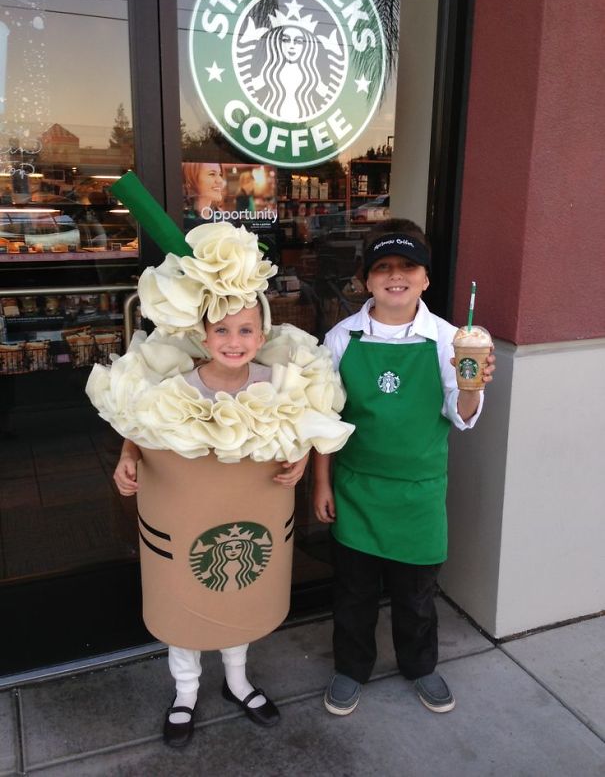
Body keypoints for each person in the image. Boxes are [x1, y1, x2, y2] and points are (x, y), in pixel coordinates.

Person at [313, 219, 495, 717]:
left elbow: (462, 417)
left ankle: (421, 666)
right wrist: (322, 482)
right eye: (383, 268)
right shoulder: (341, 337)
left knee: (417, 596)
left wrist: (474, 383)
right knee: (353, 594)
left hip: (418, 493)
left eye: (408, 266)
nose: (397, 276)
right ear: (366, 280)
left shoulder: (449, 339)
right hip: (355, 489)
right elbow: (324, 417)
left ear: (426, 278)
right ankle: (351, 668)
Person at [114, 302, 308, 747]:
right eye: (221, 330)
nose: (234, 341)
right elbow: (138, 427)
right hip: (189, 518)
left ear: (262, 338)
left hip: (244, 513)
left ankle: (237, 681)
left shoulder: (275, 385)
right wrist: (128, 455)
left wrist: (300, 456)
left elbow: (301, 430)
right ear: (204, 338)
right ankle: (186, 692)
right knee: (187, 597)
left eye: (245, 331)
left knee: (236, 597)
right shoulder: (175, 388)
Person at [182, 162, 225, 229]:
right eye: (212, 174)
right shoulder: (183, 220)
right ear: (191, 179)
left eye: (220, 174)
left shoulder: (222, 218)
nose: (220, 180)